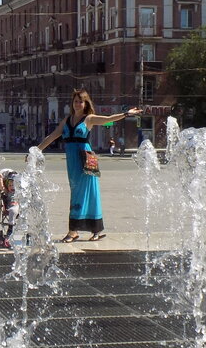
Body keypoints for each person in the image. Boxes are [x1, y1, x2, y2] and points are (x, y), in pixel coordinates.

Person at [35, 90, 141, 242]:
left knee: (88, 192)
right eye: (75, 101)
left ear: (86, 103)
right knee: (76, 191)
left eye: (81, 101)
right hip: (72, 161)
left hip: (85, 159)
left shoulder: (89, 119)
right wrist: (36, 150)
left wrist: (126, 113)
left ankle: (77, 231)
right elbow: (52, 136)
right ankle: (83, 230)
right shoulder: (67, 120)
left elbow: (108, 119)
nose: (78, 104)